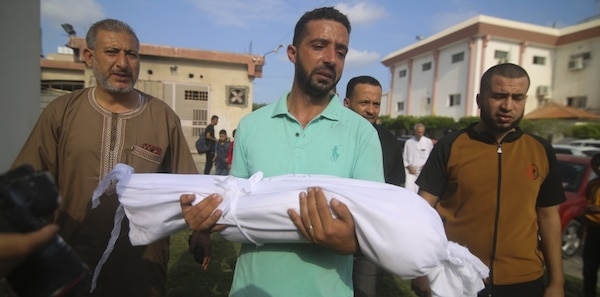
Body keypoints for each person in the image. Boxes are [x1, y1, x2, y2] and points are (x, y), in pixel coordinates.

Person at [180, 6, 384, 297]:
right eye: (318, 46)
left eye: (340, 51)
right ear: (292, 52)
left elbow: (375, 227)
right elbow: (234, 200)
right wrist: (202, 229)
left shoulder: (362, 133)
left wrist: (350, 241)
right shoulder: (251, 126)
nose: (330, 59)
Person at [11, 19, 208, 297]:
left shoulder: (162, 117)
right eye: (112, 52)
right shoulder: (62, 112)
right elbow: (26, 183)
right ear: (89, 56)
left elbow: (190, 187)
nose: (123, 63)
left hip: (140, 264)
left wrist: (200, 232)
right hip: (69, 256)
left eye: (132, 54)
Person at [411, 63, 565, 297]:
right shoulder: (450, 146)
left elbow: (548, 216)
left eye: (517, 97)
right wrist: (419, 270)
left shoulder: (540, 150)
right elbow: (422, 209)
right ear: (480, 99)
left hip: (524, 279)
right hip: (459, 277)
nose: (508, 105)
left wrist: (557, 282)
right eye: (499, 96)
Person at [343, 75, 405, 297]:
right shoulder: (329, 136)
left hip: (370, 239)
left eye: (376, 104)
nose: (371, 110)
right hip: (329, 234)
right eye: (364, 103)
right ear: (346, 103)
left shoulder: (389, 141)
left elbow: (397, 188)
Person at [583, 153, 600, 297]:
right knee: (589, 268)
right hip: (593, 231)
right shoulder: (593, 184)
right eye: (595, 165)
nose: (598, 168)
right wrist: (582, 225)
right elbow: (586, 205)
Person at [403, 123, 433, 193]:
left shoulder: (428, 142)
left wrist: (426, 166)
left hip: (423, 172)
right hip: (411, 172)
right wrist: (409, 167)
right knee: (409, 191)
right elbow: (404, 158)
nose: (420, 134)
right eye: (419, 132)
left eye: (422, 132)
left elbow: (432, 157)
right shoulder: (408, 142)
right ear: (415, 131)